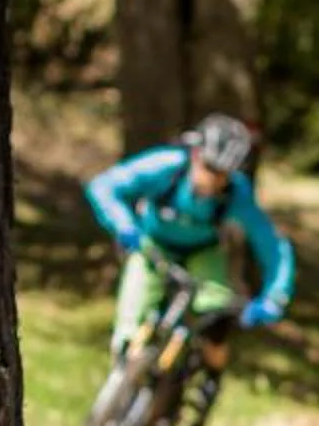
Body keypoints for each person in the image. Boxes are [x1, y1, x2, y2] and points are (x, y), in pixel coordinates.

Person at [82, 112, 296, 382]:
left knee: (216, 316)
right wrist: (124, 225)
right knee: (131, 318)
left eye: (223, 174)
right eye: (209, 167)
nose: (213, 180)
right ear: (195, 154)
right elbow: (105, 186)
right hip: (152, 245)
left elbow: (273, 246)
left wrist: (275, 297)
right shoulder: (166, 166)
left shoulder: (236, 195)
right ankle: (121, 383)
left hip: (202, 253)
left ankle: (209, 381)